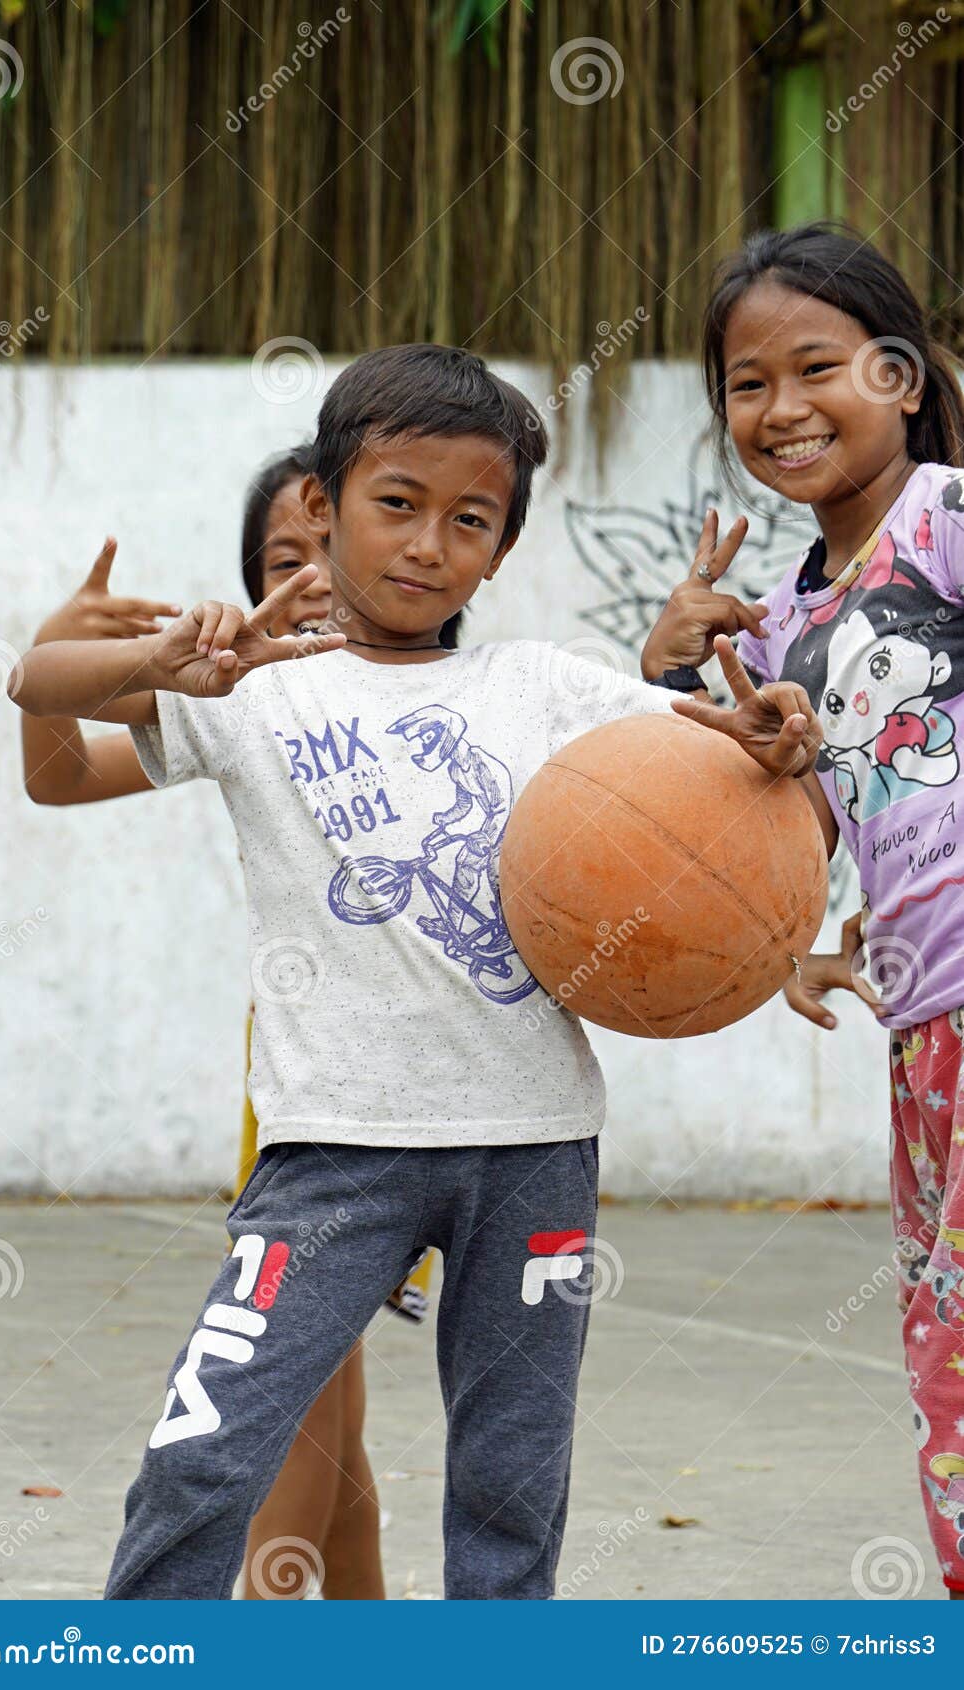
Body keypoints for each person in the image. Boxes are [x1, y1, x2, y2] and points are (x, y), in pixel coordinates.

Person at [10, 342, 816, 1601]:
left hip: (535, 1143)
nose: (429, 543)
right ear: (323, 508)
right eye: (398, 504)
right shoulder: (250, 688)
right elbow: (36, 694)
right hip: (334, 1150)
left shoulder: (540, 687)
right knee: (206, 1451)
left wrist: (779, 740)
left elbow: (722, 756)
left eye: (470, 520)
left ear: (499, 549)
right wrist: (129, 661)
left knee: (512, 1480)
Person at [641, 221, 964, 1598]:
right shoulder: (772, 622)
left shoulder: (948, 516)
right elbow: (771, 809)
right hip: (926, 1025)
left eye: (816, 365)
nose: (780, 408)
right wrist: (666, 673)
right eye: (746, 383)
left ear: (897, 374)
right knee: (942, 1318)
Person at [19, 447, 386, 1600]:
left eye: (343, 543)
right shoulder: (253, 703)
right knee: (324, 1399)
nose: (319, 575)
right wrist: (68, 647)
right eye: (289, 557)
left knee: (305, 1395)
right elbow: (60, 772)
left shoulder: (461, 695)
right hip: (299, 1086)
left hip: (440, 1091)